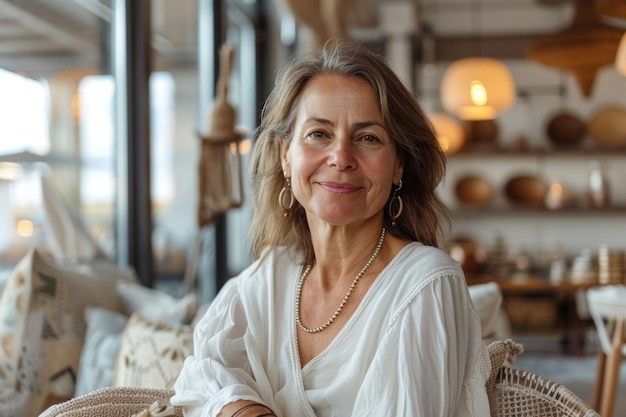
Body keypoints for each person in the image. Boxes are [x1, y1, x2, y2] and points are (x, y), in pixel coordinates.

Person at [171, 40, 491, 417]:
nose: (341, 158)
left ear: (399, 166)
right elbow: (202, 372)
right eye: (319, 134)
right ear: (285, 156)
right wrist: (244, 410)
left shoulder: (426, 284)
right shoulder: (270, 276)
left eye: (368, 138)